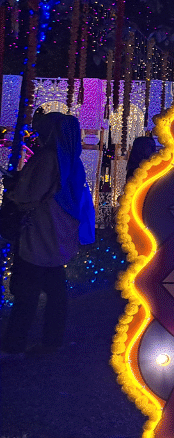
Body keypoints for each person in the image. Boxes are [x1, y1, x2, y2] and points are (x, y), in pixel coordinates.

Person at [1, 113, 96, 359]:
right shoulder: (72, 161)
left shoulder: (47, 159)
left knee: (26, 290)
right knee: (55, 290)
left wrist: (13, 190)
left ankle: (15, 344)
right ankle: (51, 340)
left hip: (38, 232)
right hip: (58, 234)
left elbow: (28, 196)